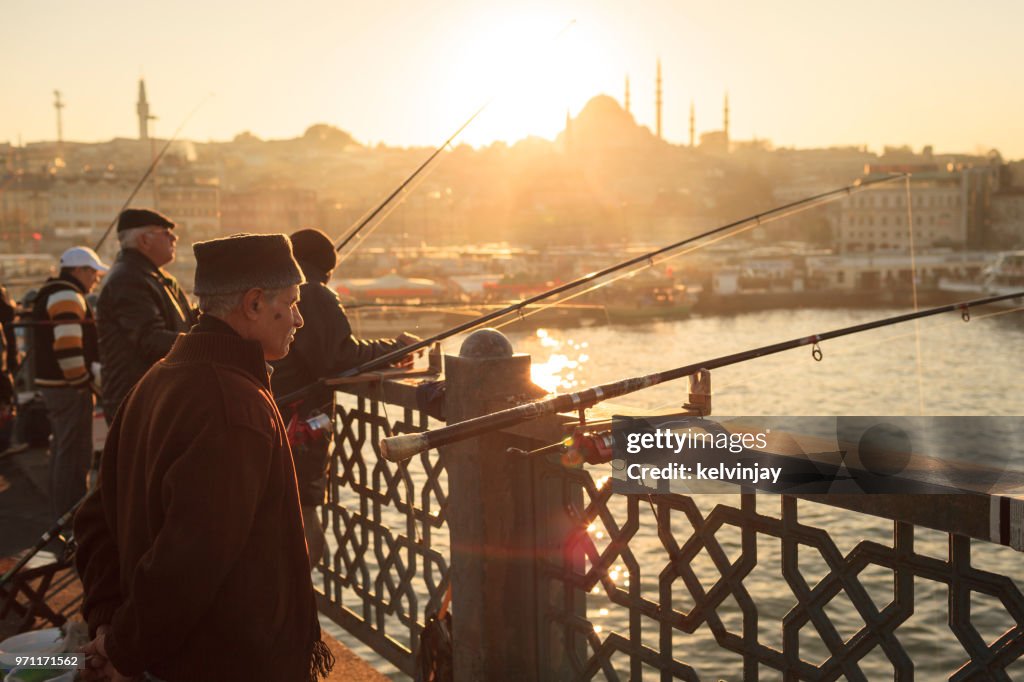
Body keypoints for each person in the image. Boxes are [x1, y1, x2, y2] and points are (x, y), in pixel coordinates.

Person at [74, 233, 334, 682]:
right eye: (291, 303)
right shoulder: (234, 407)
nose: (298, 319)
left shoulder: (158, 378)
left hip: (164, 655)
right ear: (253, 304)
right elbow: (189, 561)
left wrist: (107, 622)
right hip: (223, 662)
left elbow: (95, 519)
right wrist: (120, 648)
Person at [271, 228, 420, 566]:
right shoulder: (314, 294)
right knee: (305, 534)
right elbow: (339, 358)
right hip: (299, 428)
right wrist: (397, 348)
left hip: (275, 418)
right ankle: (294, 613)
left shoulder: (275, 293)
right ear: (326, 268)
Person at [97, 208, 196, 422]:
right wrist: (204, 344)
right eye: (166, 233)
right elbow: (149, 339)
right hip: (140, 400)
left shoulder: (154, 276)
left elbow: (184, 321)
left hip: (157, 394)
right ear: (144, 240)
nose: (174, 237)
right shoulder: (128, 280)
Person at [31, 247, 107, 519]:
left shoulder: (52, 292)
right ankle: (70, 518)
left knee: (62, 449)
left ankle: (59, 513)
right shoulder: (67, 295)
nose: (96, 279)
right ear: (79, 271)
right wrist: (82, 381)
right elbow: (67, 346)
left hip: (54, 386)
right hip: (67, 387)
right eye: (94, 273)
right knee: (74, 455)